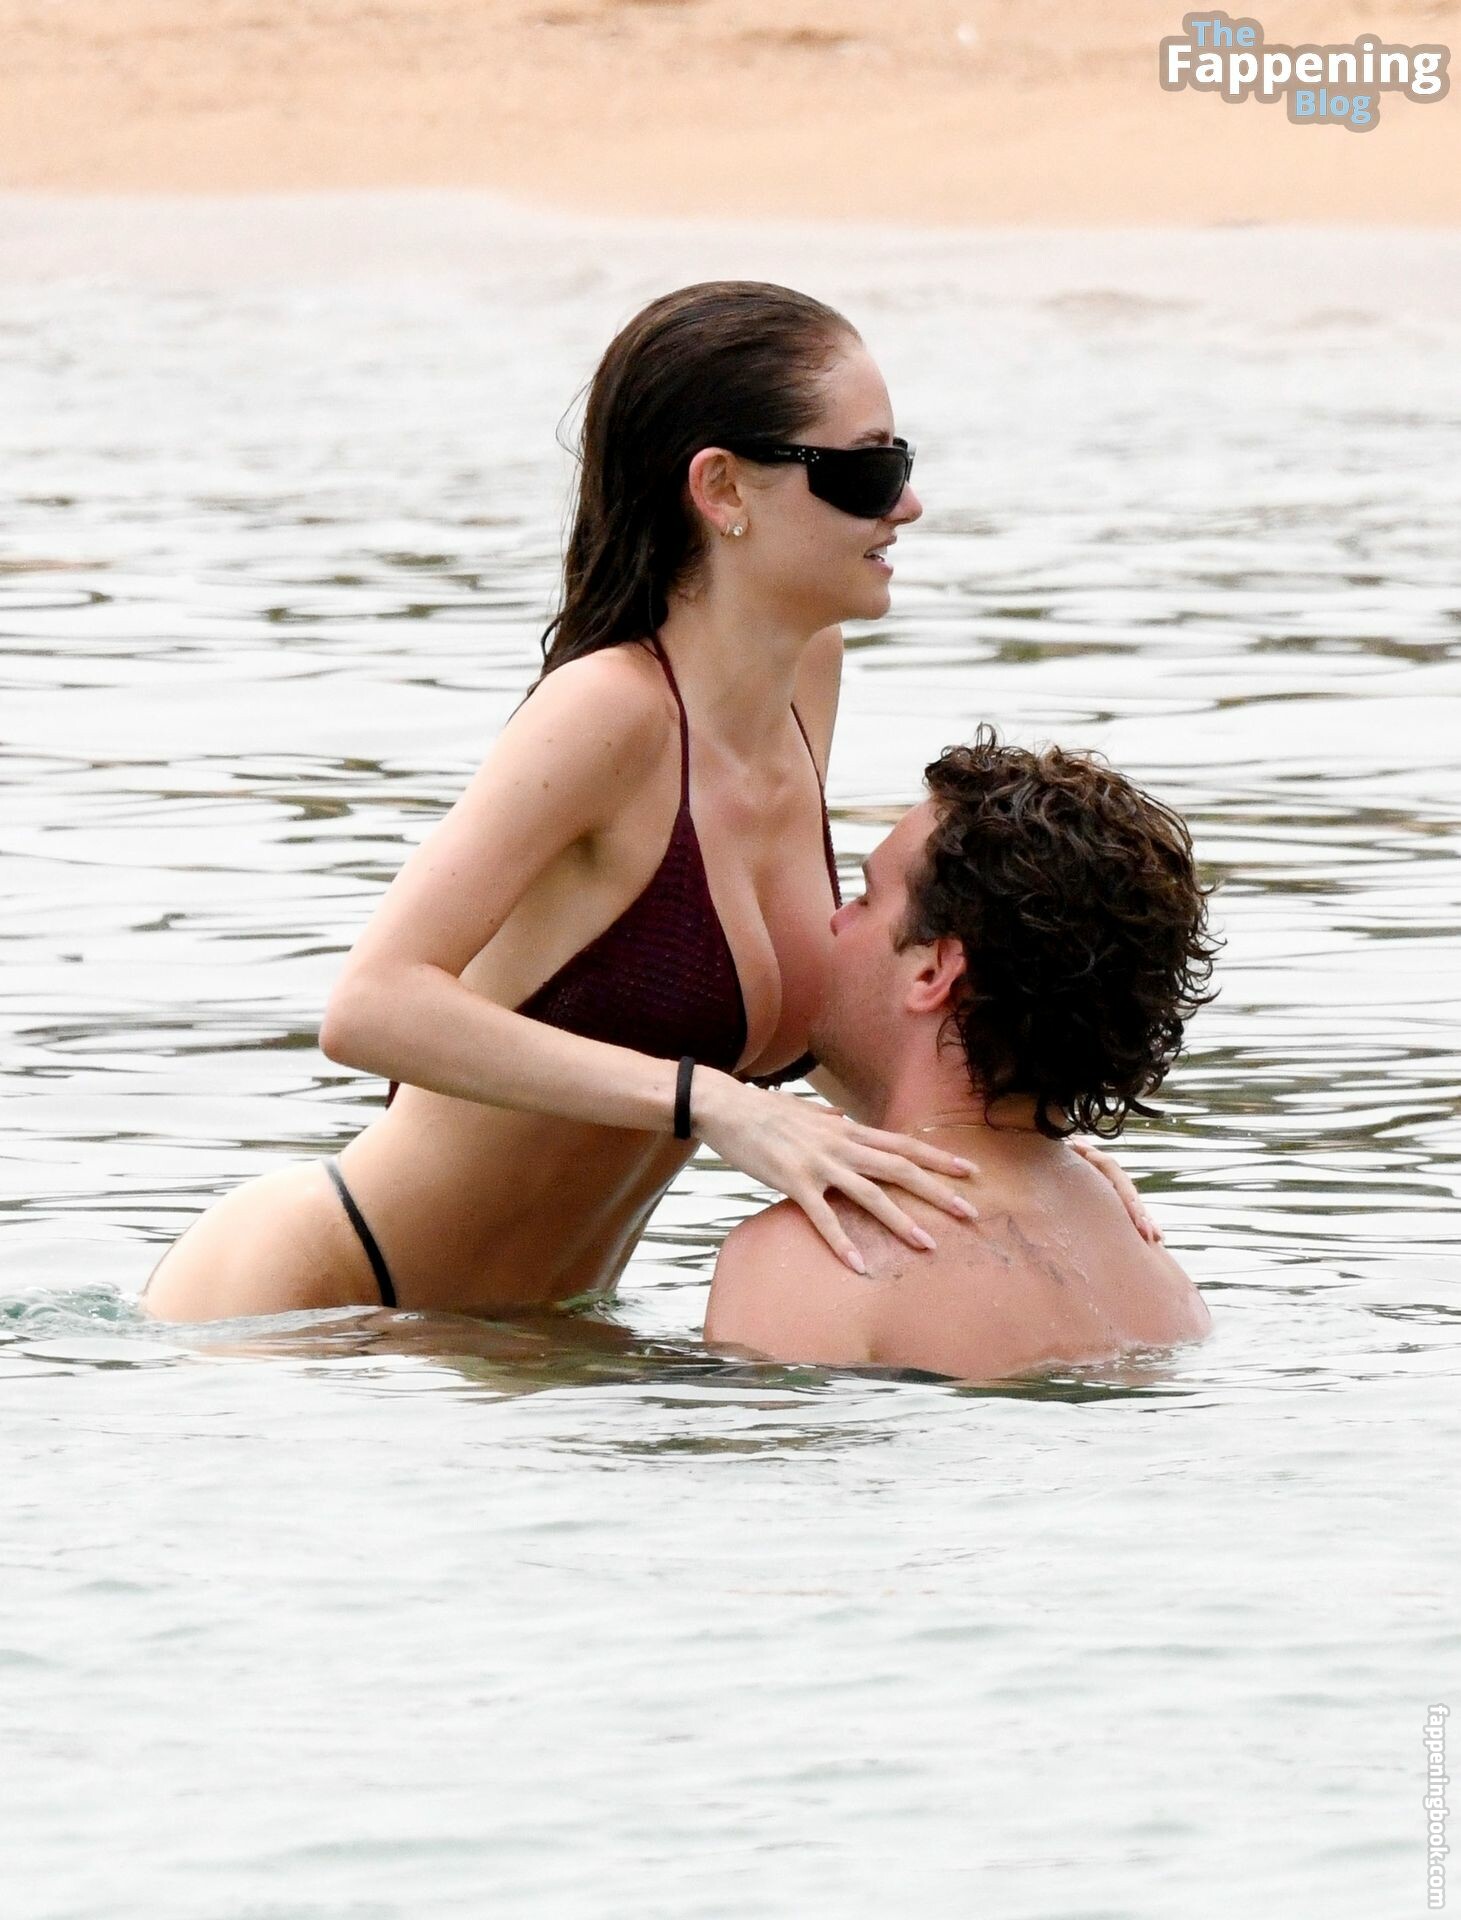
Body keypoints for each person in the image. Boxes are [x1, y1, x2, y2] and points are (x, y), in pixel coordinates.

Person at [140, 279, 991, 1323]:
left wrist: (1011, 1157)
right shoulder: (609, 712)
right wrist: (711, 1103)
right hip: (317, 1298)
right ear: (722, 488)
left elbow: (830, 1054)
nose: (906, 505)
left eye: (900, 461)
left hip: (542, 1343)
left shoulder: (806, 675)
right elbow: (370, 1007)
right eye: (868, 470)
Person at [703, 728, 1220, 1380]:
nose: (836, 920)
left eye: (866, 898)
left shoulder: (812, 1265)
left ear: (934, 971)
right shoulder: (1156, 1278)